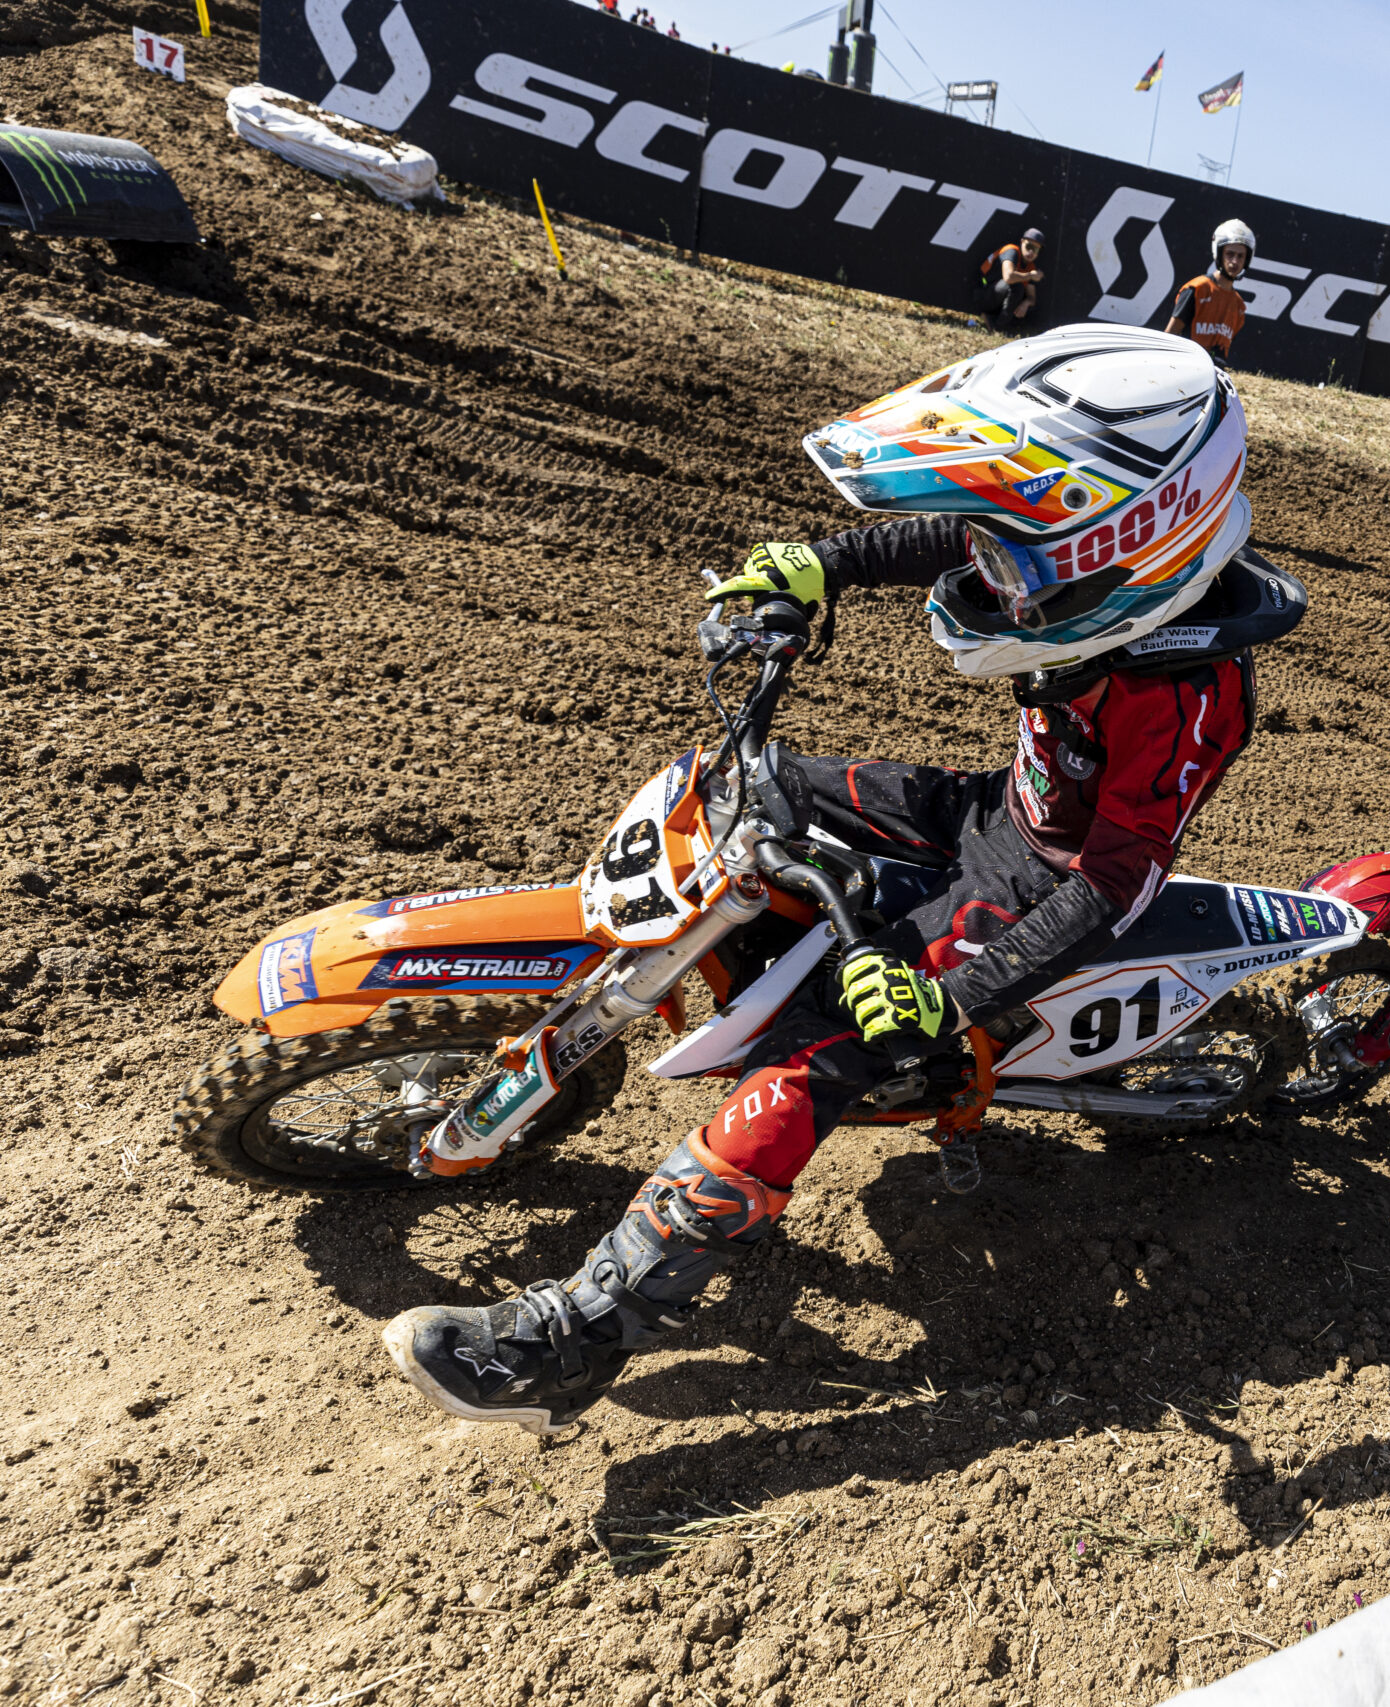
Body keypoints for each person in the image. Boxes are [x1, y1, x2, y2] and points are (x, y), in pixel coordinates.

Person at [381, 326, 1308, 1435]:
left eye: (1016, 568)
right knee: (752, 786)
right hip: (992, 809)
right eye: (1004, 555)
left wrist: (948, 1000)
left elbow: (1116, 883)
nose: (989, 575)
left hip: (1044, 883)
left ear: (1137, 557)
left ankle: (577, 1340)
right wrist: (826, 561)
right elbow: (965, 533)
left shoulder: (1184, 693)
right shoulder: (1089, 566)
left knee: (817, 1054)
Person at [1164, 219, 1254, 367]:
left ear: (1247, 259)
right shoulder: (1197, 289)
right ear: (1219, 254)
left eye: (1240, 256)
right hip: (1185, 367)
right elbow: (1170, 335)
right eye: (1230, 254)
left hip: (1214, 374)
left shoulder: (1239, 306)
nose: (1234, 261)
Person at [976, 228, 1044, 330]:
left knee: (1030, 310)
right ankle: (996, 326)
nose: (1031, 252)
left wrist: (1026, 303)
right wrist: (1030, 275)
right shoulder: (1011, 250)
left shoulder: (1031, 267)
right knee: (1017, 287)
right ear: (1022, 242)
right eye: (1029, 246)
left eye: (1035, 249)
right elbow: (1008, 277)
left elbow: (1032, 297)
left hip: (998, 301)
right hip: (983, 294)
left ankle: (998, 324)